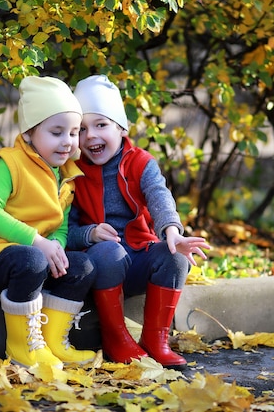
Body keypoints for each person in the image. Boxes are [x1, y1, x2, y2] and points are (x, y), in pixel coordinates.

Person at [67, 74, 211, 367]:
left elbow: (159, 194)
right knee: (110, 251)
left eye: (101, 125)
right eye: (81, 129)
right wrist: (90, 235)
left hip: (137, 258)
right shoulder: (71, 172)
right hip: (99, 265)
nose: (91, 135)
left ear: (122, 128)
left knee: (175, 257)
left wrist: (172, 231)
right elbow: (63, 230)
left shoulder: (140, 162)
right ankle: (115, 338)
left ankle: (155, 340)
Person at [0, 76, 97, 370]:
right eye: (56, 132)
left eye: (73, 133)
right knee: (32, 258)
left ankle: (53, 344)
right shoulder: (8, 163)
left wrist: (56, 249)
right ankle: (23, 349)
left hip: (33, 258)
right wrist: (39, 243)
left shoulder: (66, 174)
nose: (67, 141)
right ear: (31, 132)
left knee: (82, 266)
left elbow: (58, 225)